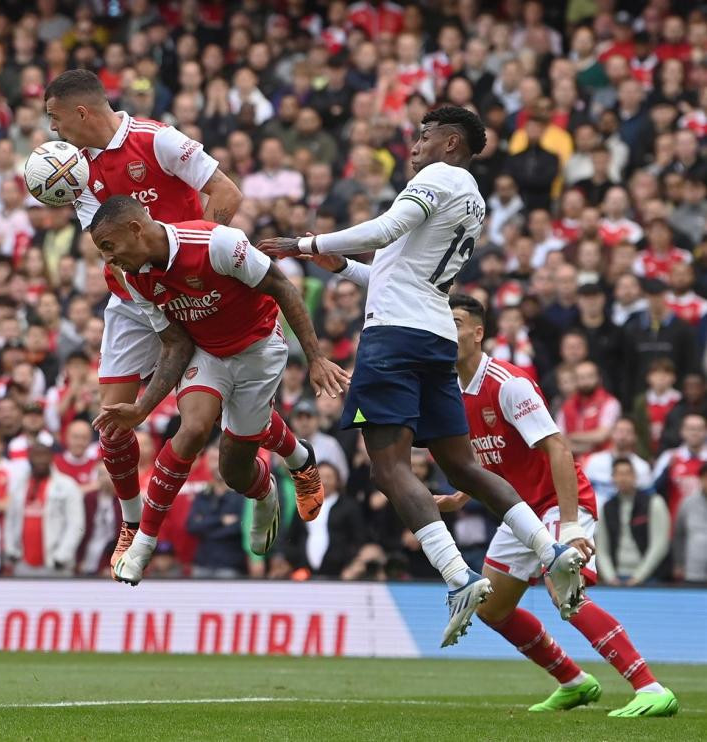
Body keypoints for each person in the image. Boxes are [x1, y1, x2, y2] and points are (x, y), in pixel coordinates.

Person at [258, 105, 585, 647]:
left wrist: (307, 244)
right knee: (462, 467)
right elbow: (403, 270)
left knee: (388, 468)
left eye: (425, 135)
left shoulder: (437, 176)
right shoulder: (473, 197)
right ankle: (552, 552)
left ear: (451, 142)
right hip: (433, 333)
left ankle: (458, 578)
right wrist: (343, 266)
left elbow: (387, 229)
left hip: (394, 338)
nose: (414, 144)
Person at [44, 69, 282, 571]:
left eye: (56, 118)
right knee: (113, 427)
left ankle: (295, 461)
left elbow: (228, 194)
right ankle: (131, 524)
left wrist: (201, 262)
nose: (54, 130)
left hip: (188, 291)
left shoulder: (158, 140)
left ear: (81, 112)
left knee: (216, 412)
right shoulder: (78, 172)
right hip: (133, 301)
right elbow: (111, 250)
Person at [437, 295, 678, 718]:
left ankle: (651, 688)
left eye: (455, 321)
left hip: (558, 502)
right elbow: (489, 456)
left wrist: (569, 526)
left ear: (478, 333)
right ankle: (574, 681)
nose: (447, 329)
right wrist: (462, 494)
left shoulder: (508, 383)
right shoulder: (450, 389)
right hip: (518, 510)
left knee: (566, 592)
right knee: (492, 607)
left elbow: (558, 449)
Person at [89, 196, 348, 584]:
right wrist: (142, 409)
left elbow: (283, 288)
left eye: (109, 246)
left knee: (233, 468)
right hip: (205, 352)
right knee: (192, 430)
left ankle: (284, 472)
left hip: (259, 349)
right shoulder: (135, 276)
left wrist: (315, 358)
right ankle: (143, 541)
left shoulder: (216, 244)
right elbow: (175, 345)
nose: (108, 259)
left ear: (136, 228)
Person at [3, 439, 84, 576]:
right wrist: (11, 550)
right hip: (23, 564)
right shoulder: (20, 486)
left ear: (51, 457)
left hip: (55, 564)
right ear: (29, 458)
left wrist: (62, 556)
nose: (40, 460)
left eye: (44, 455)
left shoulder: (67, 485)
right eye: (36, 455)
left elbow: (76, 525)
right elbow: (10, 521)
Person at [596, 460, 672, 588]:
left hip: (651, 578)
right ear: (612, 478)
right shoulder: (607, 507)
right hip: (617, 578)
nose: (623, 478)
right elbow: (601, 548)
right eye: (618, 474)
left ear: (635, 476)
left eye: (627, 473)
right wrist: (610, 577)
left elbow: (660, 545)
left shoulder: (654, 503)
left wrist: (638, 577)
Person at [186, 447, 247, 578]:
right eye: (213, 460)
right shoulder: (202, 495)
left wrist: (206, 524)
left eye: (222, 459)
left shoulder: (241, 495)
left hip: (230, 564)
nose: (218, 465)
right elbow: (192, 526)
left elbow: (239, 528)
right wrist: (221, 521)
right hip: (202, 563)